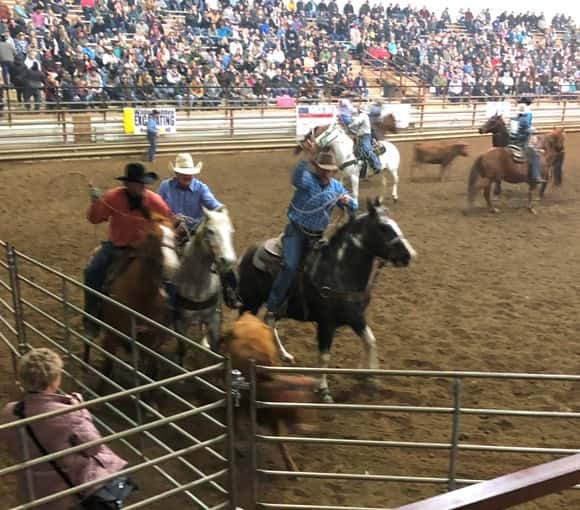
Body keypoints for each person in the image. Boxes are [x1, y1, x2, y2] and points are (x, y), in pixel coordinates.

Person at [0, 348, 128, 510]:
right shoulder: (67, 414)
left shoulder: (9, 412)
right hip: (69, 493)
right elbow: (93, 447)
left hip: (32, 490)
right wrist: (80, 410)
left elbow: (13, 447)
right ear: (54, 380)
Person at [264, 147, 357, 326]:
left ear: (333, 171)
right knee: (290, 266)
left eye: (329, 170)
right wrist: (307, 158)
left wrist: (348, 202)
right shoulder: (307, 180)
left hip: (317, 236)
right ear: (317, 168)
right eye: (323, 169)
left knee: (327, 267)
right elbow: (295, 177)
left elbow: (353, 205)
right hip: (296, 232)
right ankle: (272, 306)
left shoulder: (336, 187)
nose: (326, 173)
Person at [83, 162, 172, 335]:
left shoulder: (155, 201)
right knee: (92, 271)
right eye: (137, 183)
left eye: (142, 183)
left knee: (170, 274)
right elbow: (95, 219)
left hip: (145, 250)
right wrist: (95, 203)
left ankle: (170, 314)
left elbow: (168, 220)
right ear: (127, 184)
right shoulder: (112, 197)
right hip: (117, 246)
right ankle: (91, 317)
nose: (141, 186)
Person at [158, 153, 242, 309]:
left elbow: (215, 205)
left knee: (220, 255)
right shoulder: (165, 187)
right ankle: (162, 297)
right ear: (176, 174)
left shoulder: (201, 188)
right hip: (172, 232)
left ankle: (231, 291)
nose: (187, 176)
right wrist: (172, 220)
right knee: (161, 261)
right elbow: (157, 210)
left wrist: (220, 211)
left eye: (190, 173)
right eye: (184, 173)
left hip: (196, 233)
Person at [509, 103, 544, 184]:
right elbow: (528, 130)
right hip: (521, 143)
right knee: (535, 156)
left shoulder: (512, 119)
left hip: (510, 142)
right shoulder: (524, 120)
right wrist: (534, 130)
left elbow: (509, 130)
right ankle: (536, 176)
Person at [347, 105, 383, 174]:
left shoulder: (363, 115)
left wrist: (350, 126)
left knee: (367, 150)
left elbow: (356, 122)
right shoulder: (364, 116)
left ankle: (377, 165)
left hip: (365, 136)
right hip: (362, 135)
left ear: (360, 110)